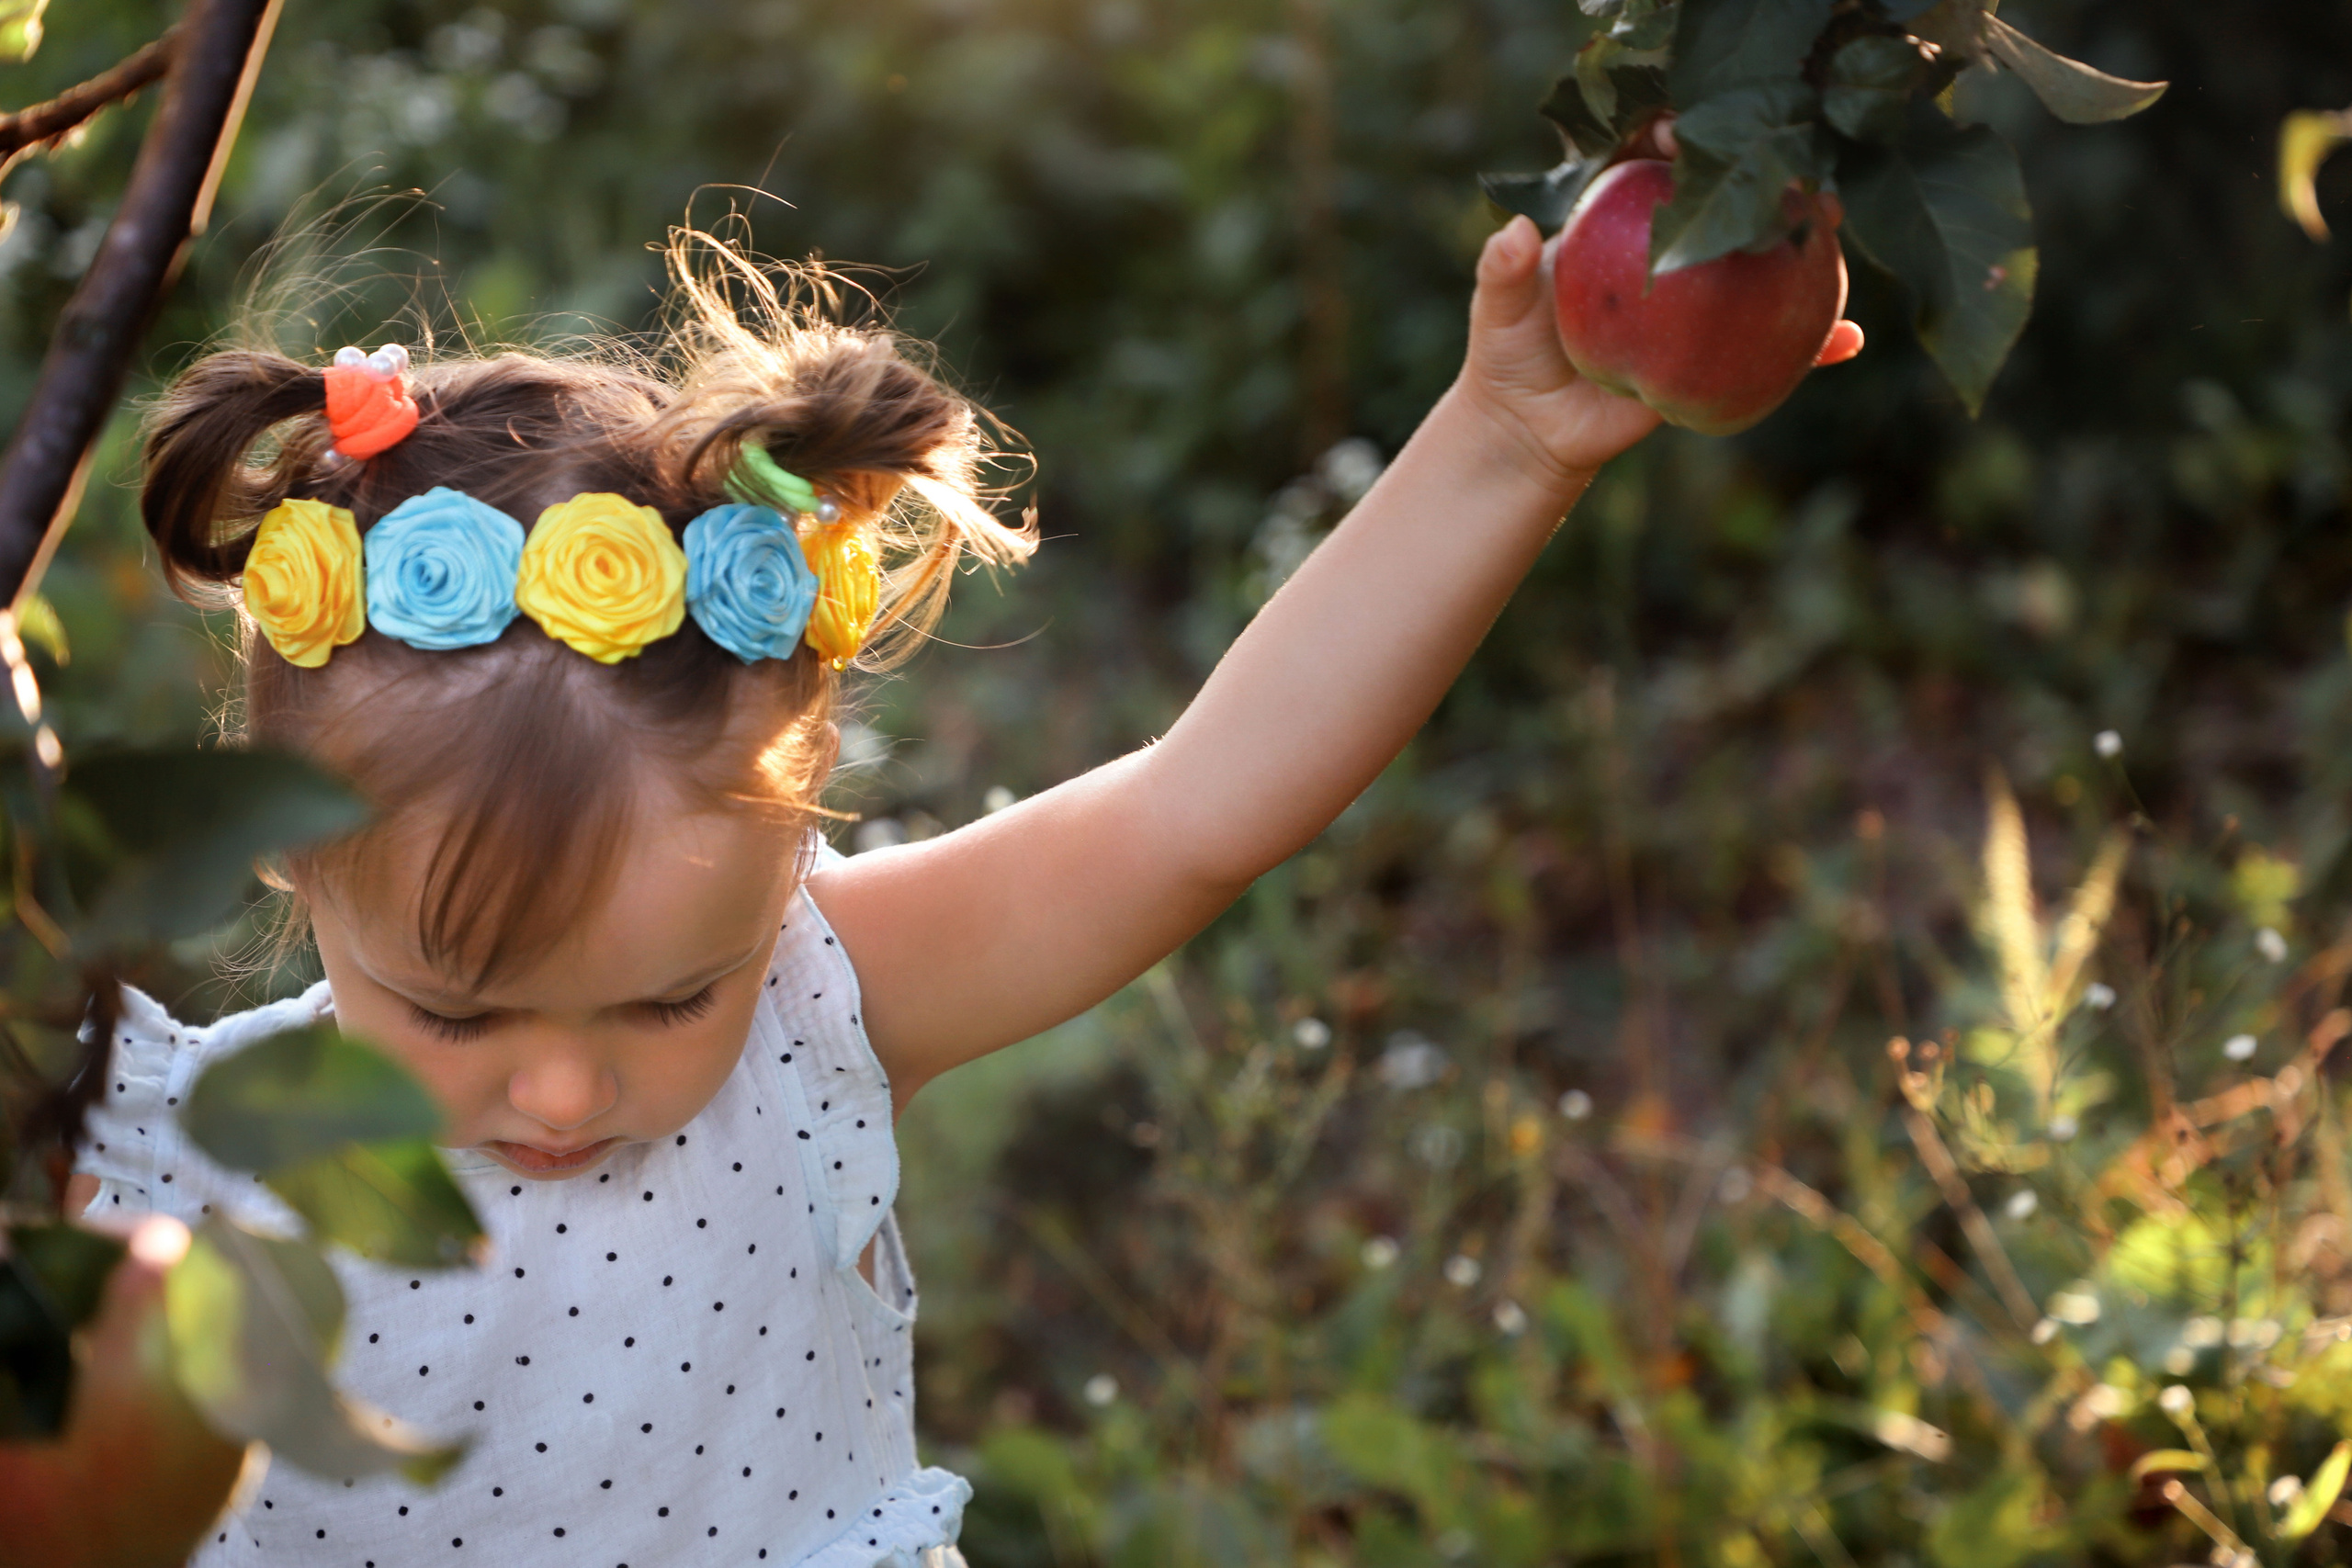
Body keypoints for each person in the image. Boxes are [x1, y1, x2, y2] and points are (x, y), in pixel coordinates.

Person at [70, 215, 1853, 1565]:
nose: (560, 1088)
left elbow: (1194, 812)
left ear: (789, 845)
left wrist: (1503, 443)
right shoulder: (158, 1155)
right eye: (456, 1009)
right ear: (278, 847)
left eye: (666, 994)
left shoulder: (815, 1006)